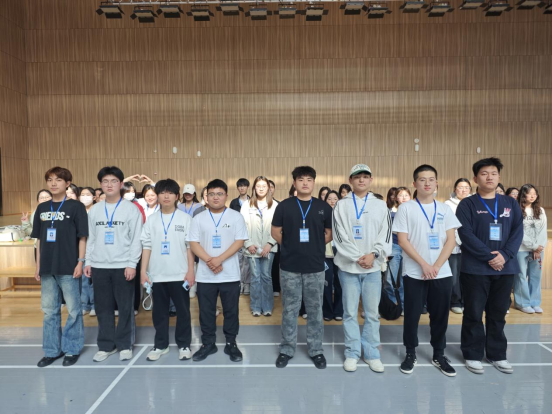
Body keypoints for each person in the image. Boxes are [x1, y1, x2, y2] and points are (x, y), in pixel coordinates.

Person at [456, 157, 523, 375]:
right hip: (475, 269)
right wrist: (489, 256)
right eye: (484, 173)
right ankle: (472, 354)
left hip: (506, 268)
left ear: (499, 177)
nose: (489, 177)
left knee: (498, 313)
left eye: (493, 173)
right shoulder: (467, 204)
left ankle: (497, 354)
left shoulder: (510, 203)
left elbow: (517, 232)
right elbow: (465, 234)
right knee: (474, 313)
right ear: (475, 178)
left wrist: (505, 255)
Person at [393, 165, 461, 377]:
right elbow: (403, 241)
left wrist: (436, 266)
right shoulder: (406, 208)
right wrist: (424, 265)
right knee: (412, 315)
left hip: (441, 272)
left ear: (437, 183)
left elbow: (451, 240)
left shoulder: (444, 209)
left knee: (440, 316)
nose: (427, 183)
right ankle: (410, 353)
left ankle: (438, 354)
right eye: (422, 180)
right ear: (415, 184)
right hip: (415, 272)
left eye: (431, 179)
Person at [271, 166, 333, 369]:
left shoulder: (323, 207)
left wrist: (314, 246)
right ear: (294, 183)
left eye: (309, 179)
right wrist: (291, 246)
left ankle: (316, 350)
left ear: (314, 182)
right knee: (290, 309)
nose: (305, 183)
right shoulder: (284, 206)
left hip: (315, 267)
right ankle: (287, 349)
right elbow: (275, 232)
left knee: (315, 310)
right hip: (289, 267)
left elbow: (329, 233)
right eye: (301, 179)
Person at [333, 165, 392, 373]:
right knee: (349, 313)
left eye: (365, 177)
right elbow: (339, 236)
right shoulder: (341, 205)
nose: (361, 180)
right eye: (357, 177)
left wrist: (373, 255)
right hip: (349, 267)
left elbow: (386, 234)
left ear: (371, 180)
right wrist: (358, 257)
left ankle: (372, 353)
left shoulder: (380, 205)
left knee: (372, 314)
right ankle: (352, 353)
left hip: (372, 268)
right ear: (350, 180)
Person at [84, 166, 143, 362]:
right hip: (99, 265)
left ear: (121, 184)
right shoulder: (95, 210)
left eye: (114, 181)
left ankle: (125, 344)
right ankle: (106, 345)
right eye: (105, 181)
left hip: (122, 265)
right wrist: (88, 261)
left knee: (125, 307)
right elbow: (91, 238)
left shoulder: (131, 209)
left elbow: (136, 239)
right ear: (100, 185)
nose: (109, 185)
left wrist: (132, 264)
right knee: (103, 308)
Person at [32, 167, 88, 367]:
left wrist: (80, 262)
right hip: (47, 267)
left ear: (68, 183)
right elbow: (39, 239)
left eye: (58, 180)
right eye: (50, 180)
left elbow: (82, 237)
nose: (53, 183)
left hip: (69, 266)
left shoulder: (76, 207)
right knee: (49, 311)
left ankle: (72, 349)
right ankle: (52, 350)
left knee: (73, 310)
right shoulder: (42, 208)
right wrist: (38, 265)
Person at [187, 179, 248, 363]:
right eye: (211, 194)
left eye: (219, 194)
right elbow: (193, 243)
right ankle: (208, 344)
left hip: (229, 273)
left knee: (231, 311)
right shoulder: (198, 218)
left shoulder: (235, 216)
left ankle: (231, 343)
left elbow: (239, 241)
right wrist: (210, 260)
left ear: (226, 196)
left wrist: (219, 259)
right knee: (206, 311)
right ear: (206, 197)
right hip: (205, 275)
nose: (215, 197)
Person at [140, 179, 195, 361]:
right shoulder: (151, 220)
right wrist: (143, 271)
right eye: (162, 192)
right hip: (157, 274)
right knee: (159, 312)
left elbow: (190, 247)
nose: (166, 196)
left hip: (180, 274)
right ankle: (160, 345)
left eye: (170, 193)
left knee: (183, 311)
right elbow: (146, 246)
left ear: (177, 196)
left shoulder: (185, 219)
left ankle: (184, 344)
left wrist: (190, 271)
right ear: (157, 195)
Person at [241, 176, 278, 316]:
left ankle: (267, 307)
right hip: (252, 248)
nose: (261, 188)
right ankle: (256, 307)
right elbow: (241, 226)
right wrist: (248, 244)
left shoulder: (275, 205)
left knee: (266, 276)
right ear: (254, 188)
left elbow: (279, 227)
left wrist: (270, 243)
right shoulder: (247, 205)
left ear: (268, 188)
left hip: (269, 247)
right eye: (258, 186)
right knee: (255, 277)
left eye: (264, 186)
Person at [514, 184, 547, 314]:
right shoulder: (516, 210)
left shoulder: (540, 210)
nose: (533, 196)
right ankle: (523, 303)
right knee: (521, 276)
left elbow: (543, 230)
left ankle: (535, 302)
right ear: (523, 194)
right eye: (529, 193)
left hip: (538, 249)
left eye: (535, 193)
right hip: (521, 248)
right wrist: (533, 246)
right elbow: (519, 231)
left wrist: (539, 248)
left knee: (535, 276)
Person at [444, 178, 472, 315]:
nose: (463, 190)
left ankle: (467, 301)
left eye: (466, 187)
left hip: (471, 246)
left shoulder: (475, 203)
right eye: (460, 187)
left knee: (469, 275)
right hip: (454, 244)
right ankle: (455, 301)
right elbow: (447, 225)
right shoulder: (448, 204)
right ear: (455, 189)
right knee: (454, 275)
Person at [383, 187, 411, 310]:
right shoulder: (389, 212)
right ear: (396, 197)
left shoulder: (414, 211)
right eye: (401, 195)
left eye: (406, 195)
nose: (404, 198)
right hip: (394, 246)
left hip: (409, 247)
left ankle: (403, 304)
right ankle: (392, 304)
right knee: (390, 278)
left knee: (405, 278)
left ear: (410, 197)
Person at [322, 190, 342, 322]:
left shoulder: (343, 215)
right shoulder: (321, 215)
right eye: (329, 198)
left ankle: (339, 311)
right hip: (325, 253)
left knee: (340, 283)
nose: (332, 201)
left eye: (335, 198)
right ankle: (327, 311)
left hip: (340, 253)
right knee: (326, 283)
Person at [79, 186, 97, 317]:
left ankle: (95, 305)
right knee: (83, 280)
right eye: (82, 194)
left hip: (95, 250)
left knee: (94, 280)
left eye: (88, 194)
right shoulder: (78, 210)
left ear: (94, 197)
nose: (85, 197)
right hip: (81, 249)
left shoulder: (97, 210)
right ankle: (84, 305)